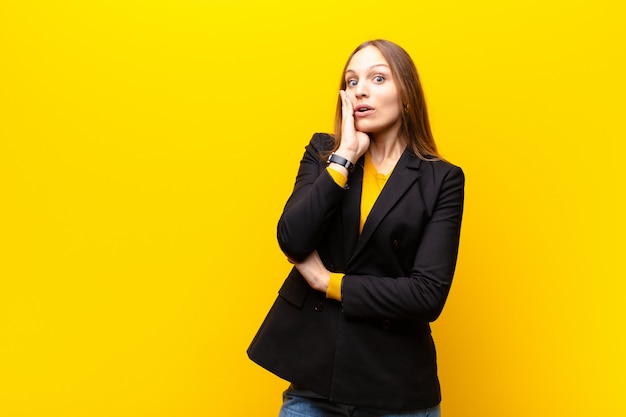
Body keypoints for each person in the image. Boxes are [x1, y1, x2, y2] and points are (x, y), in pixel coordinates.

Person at [247, 39, 464, 417]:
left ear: (407, 95)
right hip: (314, 384)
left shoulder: (441, 179)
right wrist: (345, 156)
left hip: (395, 388)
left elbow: (427, 295)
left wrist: (327, 282)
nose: (360, 88)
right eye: (351, 81)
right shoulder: (324, 153)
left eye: (378, 78)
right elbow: (293, 238)